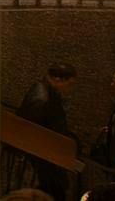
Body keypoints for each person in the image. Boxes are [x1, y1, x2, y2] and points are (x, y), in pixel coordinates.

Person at [19, 62, 77, 200]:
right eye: (69, 84)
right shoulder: (42, 98)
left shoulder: (45, 91)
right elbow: (32, 127)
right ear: (58, 79)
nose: (69, 88)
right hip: (41, 154)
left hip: (44, 153)